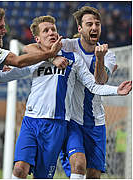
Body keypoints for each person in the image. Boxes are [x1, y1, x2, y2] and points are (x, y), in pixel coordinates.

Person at [0, 15, 131, 179]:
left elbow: (93, 85)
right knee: (19, 169)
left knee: (43, 176)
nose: (51, 33)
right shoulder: (35, 60)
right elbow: (11, 73)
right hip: (31, 121)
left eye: (53, 30)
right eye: (46, 31)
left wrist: (116, 90)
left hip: (58, 125)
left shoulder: (73, 59)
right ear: (38, 39)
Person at [25, 6, 117, 179]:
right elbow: (29, 48)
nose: (94, 27)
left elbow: (100, 82)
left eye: (97, 24)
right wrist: (53, 57)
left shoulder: (108, 55)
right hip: (71, 120)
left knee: (94, 174)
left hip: (96, 121)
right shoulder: (67, 45)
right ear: (80, 29)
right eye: (89, 24)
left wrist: (99, 59)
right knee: (78, 164)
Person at [0, 7, 66, 179]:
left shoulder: (66, 51)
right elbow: (19, 59)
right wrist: (51, 55)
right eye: (0, 27)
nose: (4, 31)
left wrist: (45, 58)